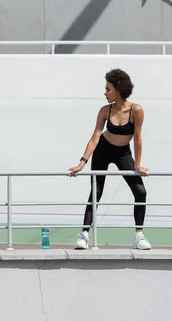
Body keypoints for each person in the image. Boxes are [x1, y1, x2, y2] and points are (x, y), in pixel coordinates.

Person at [68, 68, 151, 250]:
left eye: (108, 89)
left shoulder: (136, 110)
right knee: (96, 192)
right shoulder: (105, 110)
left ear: (119, 89)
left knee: (140, 191)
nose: (104, 93)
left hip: (123, 153)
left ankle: (139, 236)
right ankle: (84, 235)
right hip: (103, 151)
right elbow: (95, 136)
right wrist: (82, 163)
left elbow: (137, 138)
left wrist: (137, 164)